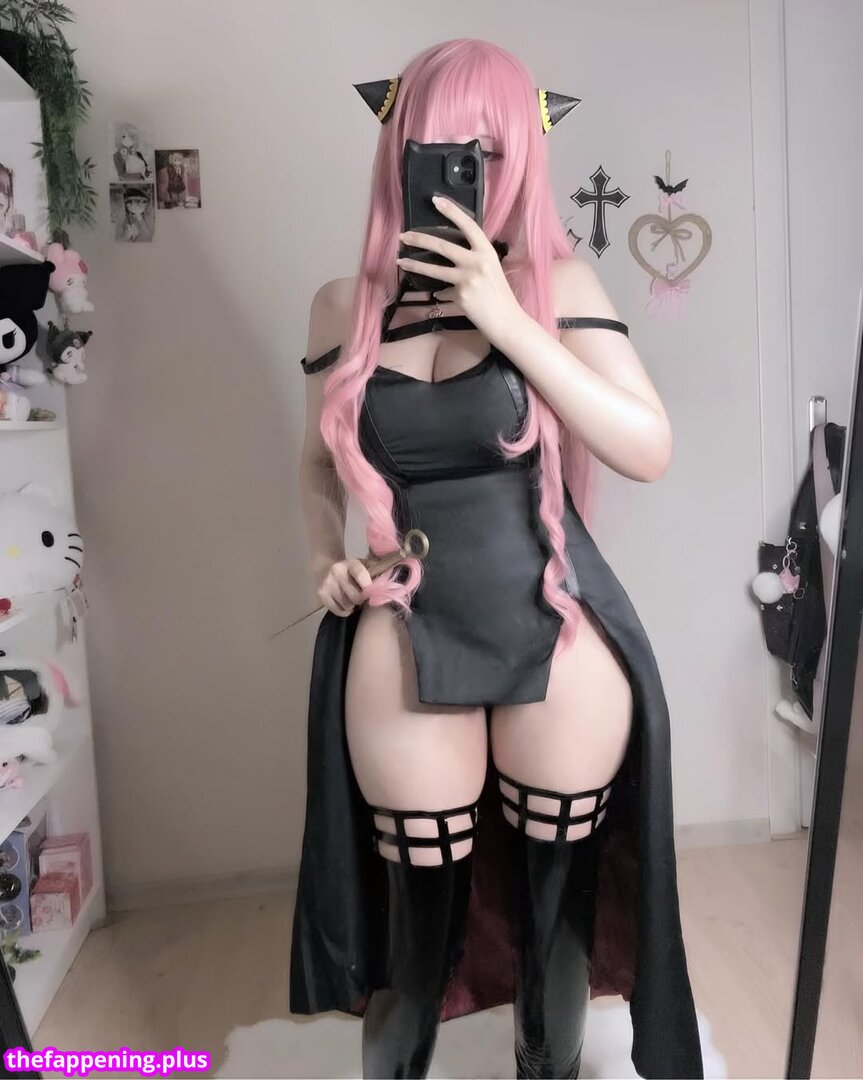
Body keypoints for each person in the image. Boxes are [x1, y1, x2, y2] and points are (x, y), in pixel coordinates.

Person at [289, 38, 703, 1080]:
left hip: (552, 623)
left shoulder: (557, 286)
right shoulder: (343, 306)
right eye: (439, 147)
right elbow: (315, 462)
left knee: (555, 909)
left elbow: (646, 447)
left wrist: (507, 320)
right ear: (400, 151)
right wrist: (324, 555)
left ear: (523, 153)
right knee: (413, 924)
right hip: (404, 625)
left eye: (487, 149)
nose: (462, 169)